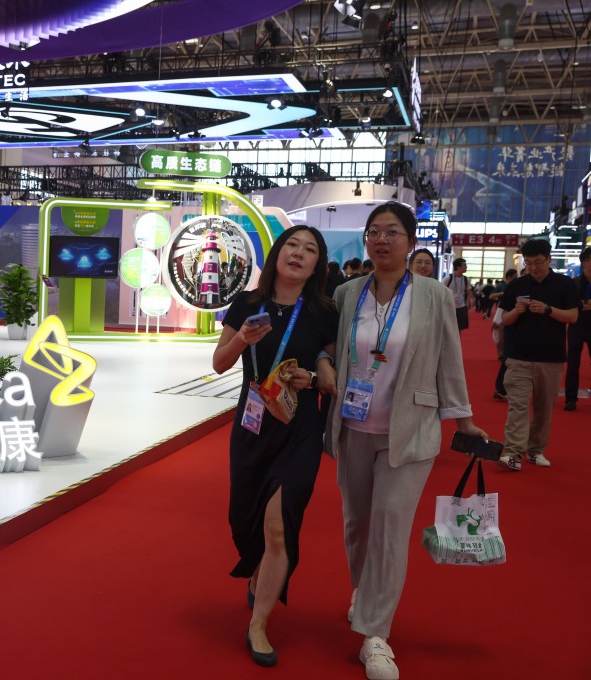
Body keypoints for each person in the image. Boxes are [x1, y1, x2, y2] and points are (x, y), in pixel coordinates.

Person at [325, 202, 487, 680]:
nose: (381, 240)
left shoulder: (435, 295)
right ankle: (366, 594)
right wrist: (324, 368)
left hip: (411, 428)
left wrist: (463, 420)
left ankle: (375, 635)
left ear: (411, 240)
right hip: (353, 426)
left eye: (391, 232)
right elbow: (329, 346)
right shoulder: (347, 293)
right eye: (374, 232)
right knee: (357, 525)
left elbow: (449, 360)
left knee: (391, 528)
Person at [213, 225, 338, 668]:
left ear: (317, 264)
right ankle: (258, 571)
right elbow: (218, 362)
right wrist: (242, 339)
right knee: (245, 518)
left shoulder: (325, 310)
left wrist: (317, 372)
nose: (299, 254)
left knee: (280, 525)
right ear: (277, 254)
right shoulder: (248, 304)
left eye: (310, 250)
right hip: (252, 423)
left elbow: (332, 365)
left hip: (300, 426)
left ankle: (259, 623)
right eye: (292, 246)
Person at [497, 239, 579, 470]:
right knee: (518, 407)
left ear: (549, 259)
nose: (533, 267)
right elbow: (505, 319)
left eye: (538, 262)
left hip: (551, 359)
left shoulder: (564, 285)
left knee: (544, 410)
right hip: (519, 357)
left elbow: (572, 316)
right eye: (529, 263)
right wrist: (516, 311)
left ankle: (535, 451)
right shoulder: (517, 285)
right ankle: (513, 453)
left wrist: (548, 310)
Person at [564, 247, 591, 410]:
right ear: (585, 262)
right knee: (573, 364)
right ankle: (571, 398)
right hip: (576, 326)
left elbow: (580, 304)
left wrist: (584, 304)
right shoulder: (574, 283)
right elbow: (573, 305)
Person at [490, 270, 517, 401]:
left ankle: (503, 388)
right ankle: (502, 388)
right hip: (508, 323)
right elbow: (499, 305)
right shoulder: (508, 288)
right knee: (507, 355)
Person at [442, 257, 471, 332]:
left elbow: (468, 293)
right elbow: (441, 291)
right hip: (449, 307)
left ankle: (457, 343)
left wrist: (467, 304)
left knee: (459, 329)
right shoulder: (448, 278)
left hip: (461, 307)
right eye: (464, 265)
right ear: (458, 267)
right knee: (448, 329)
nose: (466, 267)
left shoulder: (466, 279)